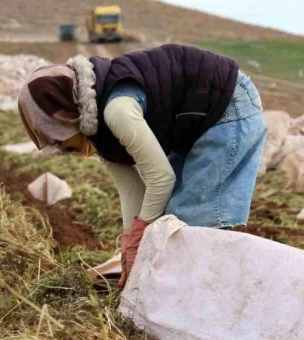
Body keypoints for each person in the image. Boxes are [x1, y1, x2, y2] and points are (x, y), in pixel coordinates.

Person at [17, 44, 267, 287]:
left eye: (67, 146)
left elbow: (161, 179)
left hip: (229, 104)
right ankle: (186, 291)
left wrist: (140, 236)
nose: (73, 154)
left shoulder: (117, 111)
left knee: (190, 218)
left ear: (69, 119)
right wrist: (129, 246)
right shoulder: (96, 128)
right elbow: (131, 190)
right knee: (169, 217)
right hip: (195, 123)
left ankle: (216, 293)